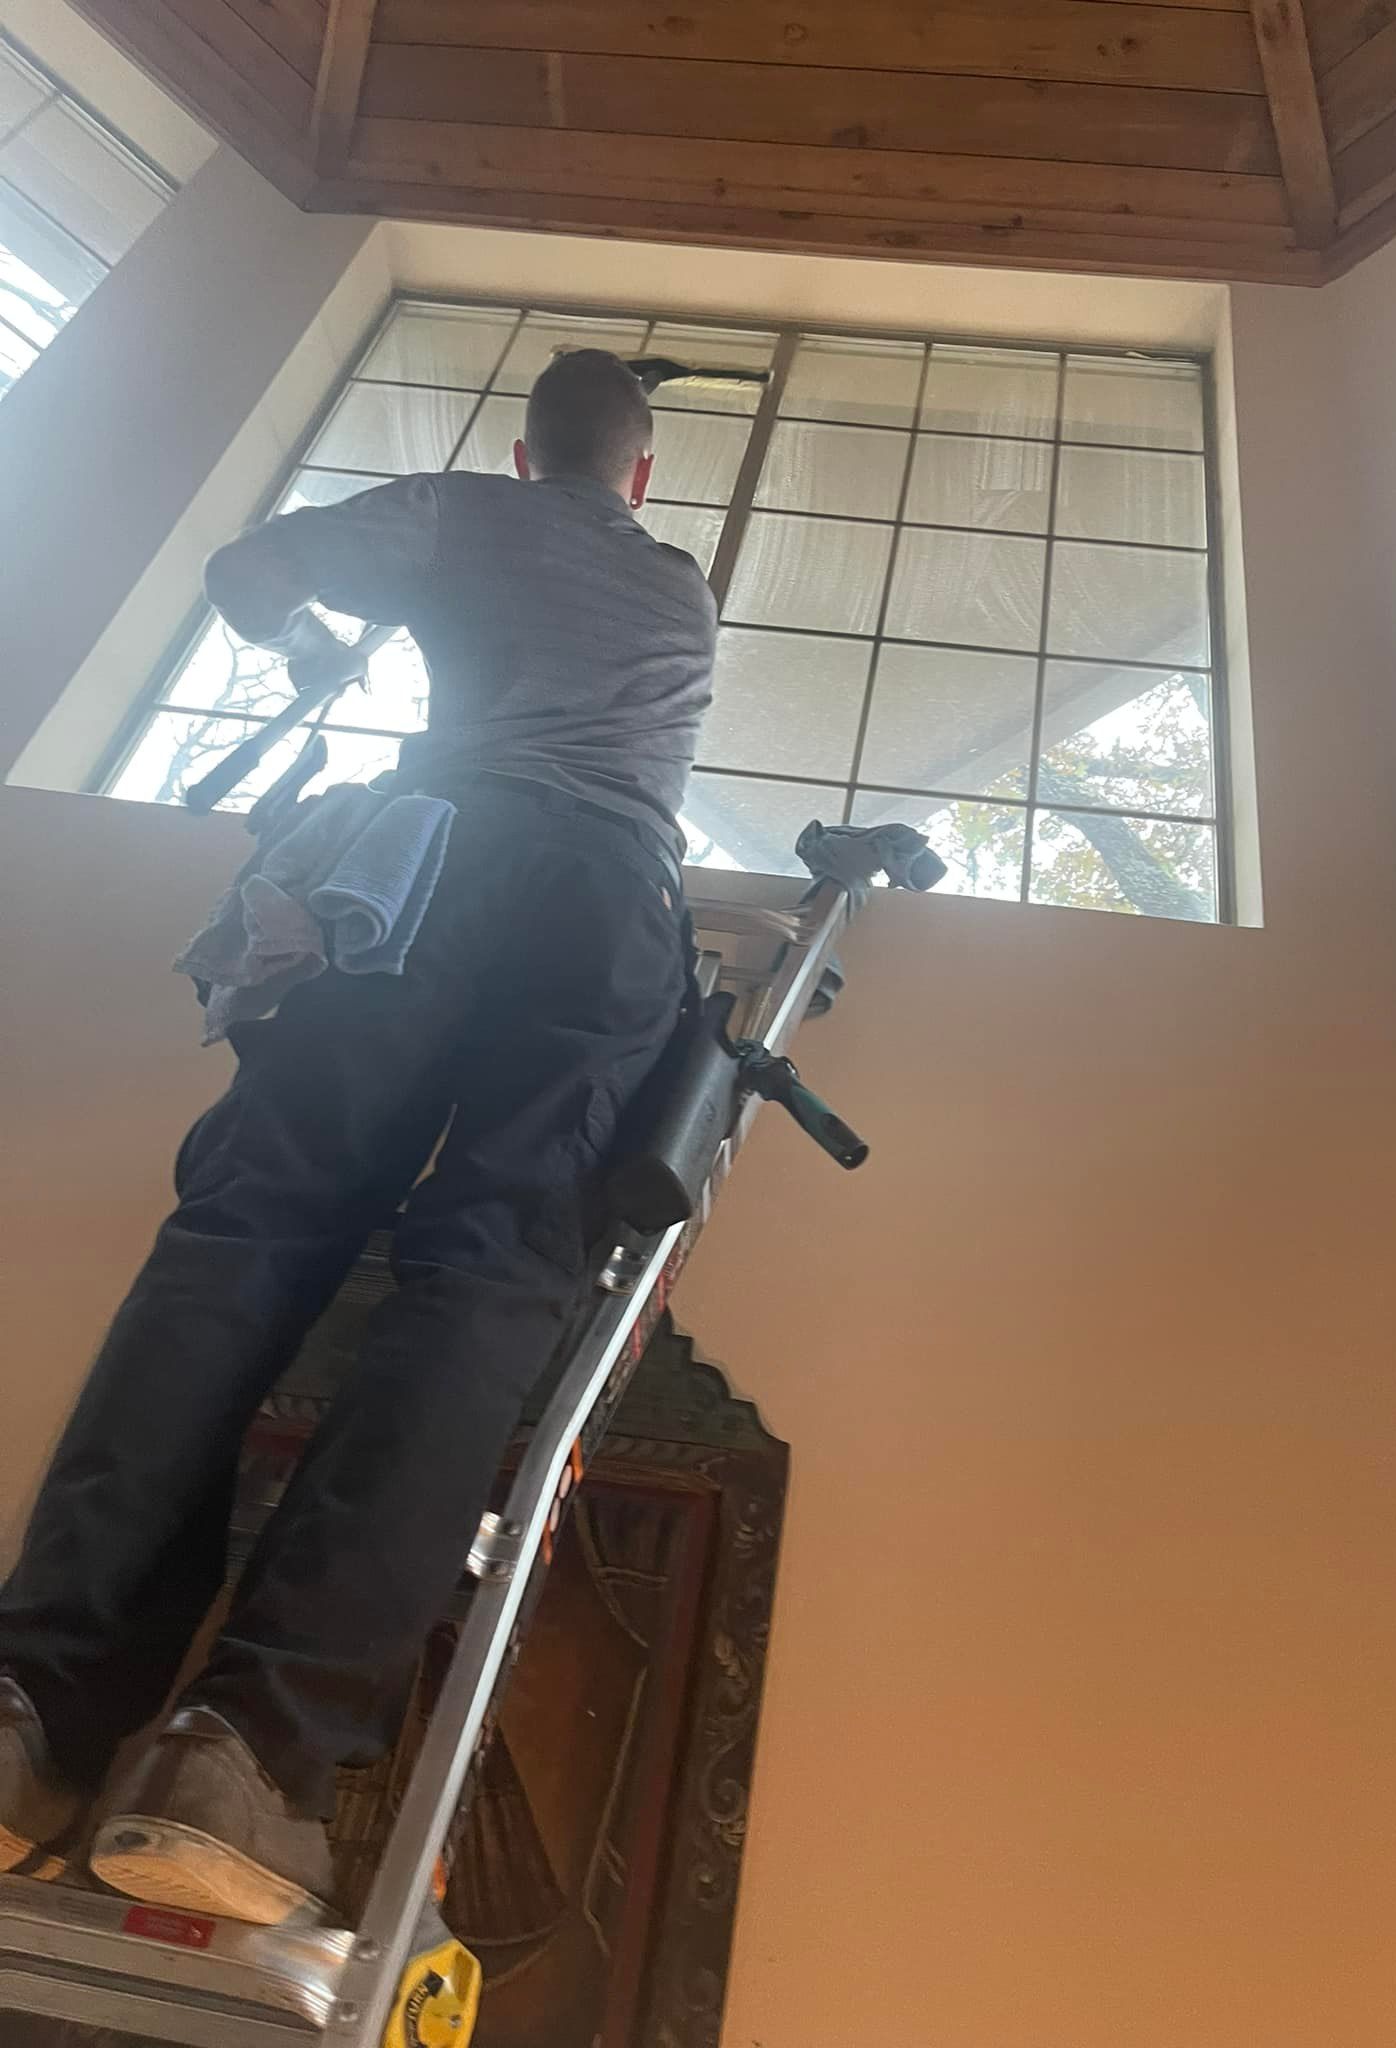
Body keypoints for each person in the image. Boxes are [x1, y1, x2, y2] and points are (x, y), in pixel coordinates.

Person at [0, 349, 717, 1924]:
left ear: (527, 458)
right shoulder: (679, 587)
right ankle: (240, 1756)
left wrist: (317, 645)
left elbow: (248, 570)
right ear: (642, 477)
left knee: (251, 1230)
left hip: (425, 864)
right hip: (612, 906)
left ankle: (37, 1712)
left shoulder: (466, 513)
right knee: (490, 1278)